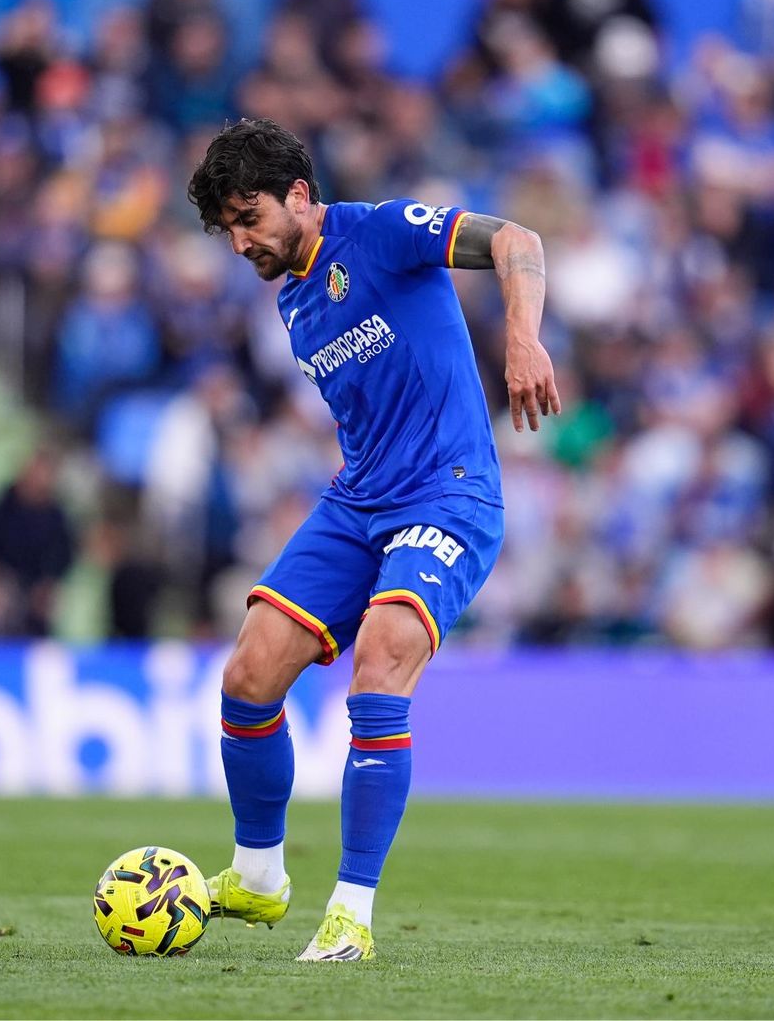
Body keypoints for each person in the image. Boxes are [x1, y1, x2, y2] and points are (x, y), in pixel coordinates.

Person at [185, 118, 560, 961]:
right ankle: (257, 875)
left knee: (383, 657)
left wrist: (524, 337)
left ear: (301, 197)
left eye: (250, 218)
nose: (241, 242)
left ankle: (350, 913)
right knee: (248, 672)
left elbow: (518, 239)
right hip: (360, 502)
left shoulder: (383, 234)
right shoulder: (293, 295)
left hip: (451, 495)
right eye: (229, 230)